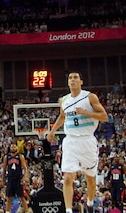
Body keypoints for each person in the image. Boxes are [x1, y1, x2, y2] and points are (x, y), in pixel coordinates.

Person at [46, 71, 108, 213]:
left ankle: (90, 203)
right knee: (67, 178)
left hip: (87, 140)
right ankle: (68, 210)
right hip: (70, 141)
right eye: (70, 78)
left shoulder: (90, 97)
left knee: (90, 179)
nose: (72, 80)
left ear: (81, 81)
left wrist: (86, 113)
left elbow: (104, 116)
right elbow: (62, 116)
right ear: (68, 82)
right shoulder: (64, 100)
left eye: (75, 78)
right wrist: (53, 130)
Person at [2, 141, 29, 213]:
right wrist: (2, 179)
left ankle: (27, 211)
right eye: (12, 146)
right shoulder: (6, 157)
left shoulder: (20, 156)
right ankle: (8, 212)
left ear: (17, 147)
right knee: (9, 198)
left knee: (22, 197)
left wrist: (25, 176)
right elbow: (4, 169)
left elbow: (25, 167)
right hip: (10, 179)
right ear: (10, 148)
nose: (13, 147)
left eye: (14, 146)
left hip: (18, 179)